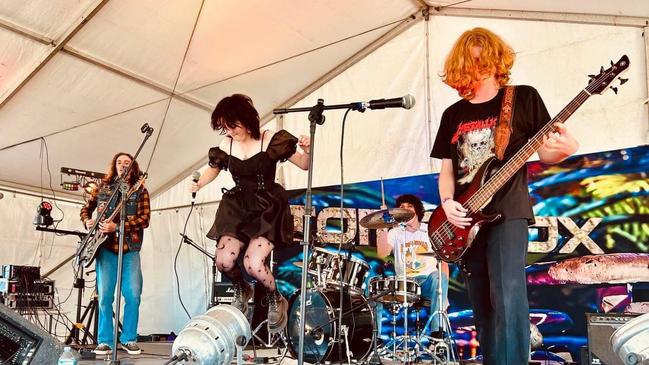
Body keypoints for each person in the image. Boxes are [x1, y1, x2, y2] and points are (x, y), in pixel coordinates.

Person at [430, 28, 579, 364]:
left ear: (496, 59)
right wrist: (447, 203)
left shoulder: (523, 98)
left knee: (508, 298)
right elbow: (448, 170)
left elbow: (545, 153)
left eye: (483, 60)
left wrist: (568, 149)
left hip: (506, 213)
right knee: (482, 305)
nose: (478, 67)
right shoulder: (453, 115)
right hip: (465, 219)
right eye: (471, 62)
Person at [191, 93, 310, 334]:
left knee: (254, 264)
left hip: (267, 205)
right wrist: (199, 184)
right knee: (223, 261)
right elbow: (213, 169)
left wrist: (307, 149)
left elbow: (305, 164)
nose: (230, 131)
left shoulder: (271, 139)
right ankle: (242, 288)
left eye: (232, 125)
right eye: (224, 127)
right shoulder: (227, 144)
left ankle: (277, 297)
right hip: (238, 205)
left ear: (247, 120)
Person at [80, 152, 150, 356]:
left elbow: (144, 219)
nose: (122, 165)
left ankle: (129, 338)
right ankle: (105, 341)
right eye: (119, 162)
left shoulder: (140, 190)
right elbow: (86, 209)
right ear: (114, 166)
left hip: (130, 249)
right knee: (104, 297)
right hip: (105, 248)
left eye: (127, 163)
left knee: (133, 295)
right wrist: (87, 221)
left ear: (133, 167)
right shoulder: (103, 188)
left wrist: (118, 227)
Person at [377, 194, 449, 336]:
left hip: (428, 281)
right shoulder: (395, 232)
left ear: (417, 210)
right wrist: (385, 225)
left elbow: (443, 261)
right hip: (405, 283)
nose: (405, 209)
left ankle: (437, 335)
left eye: (409, 206)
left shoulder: (429, 230)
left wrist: (443, 290)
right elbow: (382, 253)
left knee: (438, 277)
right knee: (375, 287)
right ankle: (375, 338)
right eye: (402, 207)